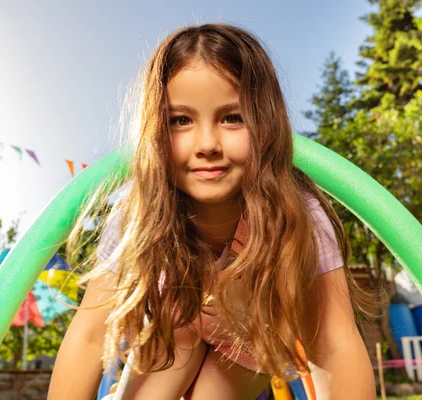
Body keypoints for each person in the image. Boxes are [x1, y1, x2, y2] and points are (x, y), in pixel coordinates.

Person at [49, 23, 378, 400]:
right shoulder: (138, 212)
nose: (207, 144)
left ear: (265, 122)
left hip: (249, 337)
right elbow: (90, 335)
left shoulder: (298, 210)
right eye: (181, 121)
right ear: (155, 130)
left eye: (232, 117)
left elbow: (335, 345)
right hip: (177, 324)